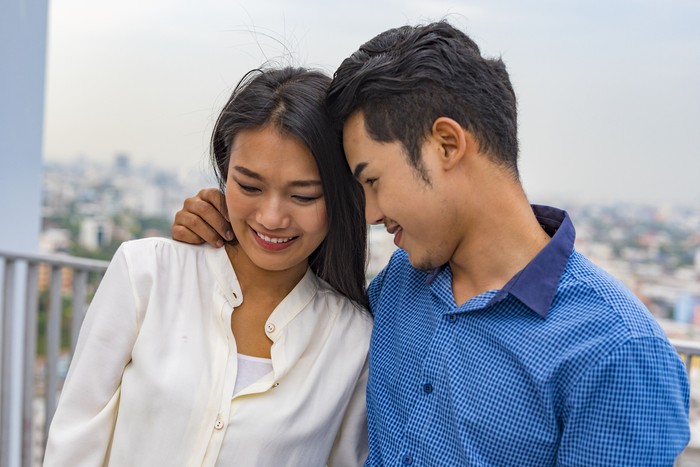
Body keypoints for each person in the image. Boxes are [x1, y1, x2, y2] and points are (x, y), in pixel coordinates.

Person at [171, 21, 690, 466]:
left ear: (446, 144)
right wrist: (222, 238)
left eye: (372, 181)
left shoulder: (615, 353)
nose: (370, 213)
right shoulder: (400, 286)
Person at [44, 67, 373, 466]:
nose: (271, 218)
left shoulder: (353, 340)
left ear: (341, 197)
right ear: (223, 173)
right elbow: (73, 444)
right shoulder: (146, 274)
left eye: (303, 196)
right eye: (249, 186)